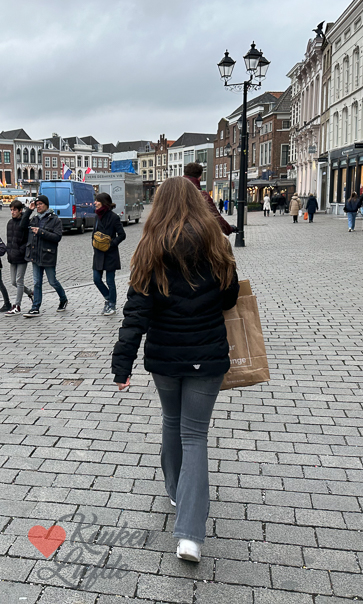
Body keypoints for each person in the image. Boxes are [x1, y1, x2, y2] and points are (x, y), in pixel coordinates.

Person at [111, 177, 239, 563]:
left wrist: (122, 365)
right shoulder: (217, 243)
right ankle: (190, 538)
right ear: (198, 203)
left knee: (171, 421)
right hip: (207, 356)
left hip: (165, 358)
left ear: (159, 205)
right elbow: (229, 298)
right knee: (195, 435)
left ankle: (175, 490)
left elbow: (136, 312)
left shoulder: (150, 246)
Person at [21, 194, 68, 317]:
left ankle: (63, 298)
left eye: (40, 204)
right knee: (37, 282)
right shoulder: (35, 218)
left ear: (46, 205)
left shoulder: (55, 220)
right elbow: (22, 226)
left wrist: (41, 232)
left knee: (52, 281)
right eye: (37, 205)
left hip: (48, 255)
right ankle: (35, 307)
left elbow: (57, 237)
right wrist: (29, 210)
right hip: (35, 254)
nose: (38, 206)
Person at [92, 192, 126, 315]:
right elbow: (94, 233)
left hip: (110, 254)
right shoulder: (97, 217)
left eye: (97, 201)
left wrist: (111, 244)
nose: (95, 203)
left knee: (110, 281)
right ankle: (108, 298)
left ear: (104, 203)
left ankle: (112, 305)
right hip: (98, 254)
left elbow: (122, 235)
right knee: (96, 279)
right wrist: (94, 243)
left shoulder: (114, 217)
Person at [184, 162, 234, 236]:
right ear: (200, 177)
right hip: (193, 234)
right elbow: (216, 216)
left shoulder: (173, 190)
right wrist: (229, 229)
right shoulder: (202, 195)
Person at [5, 199, 34, 315]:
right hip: (12, 256)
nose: (12, 212)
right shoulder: (9, 223)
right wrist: (9, 251)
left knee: (19, 280)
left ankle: (17, 305)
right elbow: (9, 240)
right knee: (13, 282)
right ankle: (31, 293)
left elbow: (27, 238)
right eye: (11, 210)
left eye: (14, 210)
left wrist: (22, 250)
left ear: (20, 210)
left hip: (21, 256)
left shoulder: (24, 222)